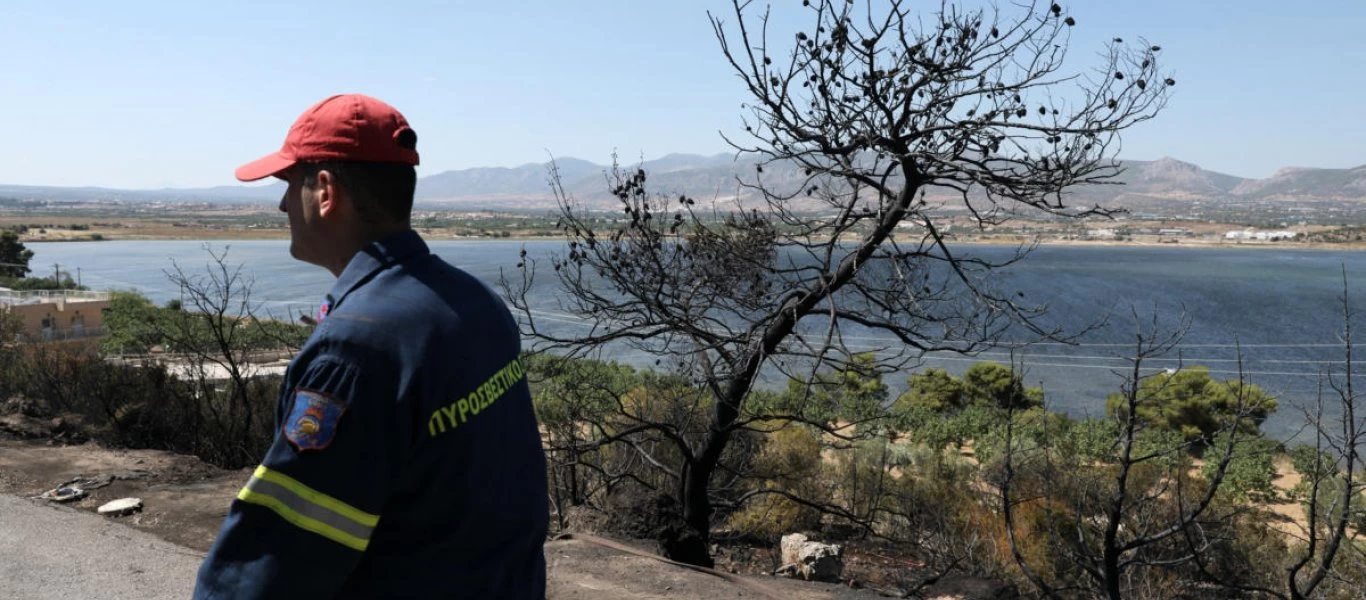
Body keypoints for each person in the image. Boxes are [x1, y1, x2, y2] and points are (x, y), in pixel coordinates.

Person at [193, 94, 549, 599]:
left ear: (324, 191)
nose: (280, 204)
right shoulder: (475, 302)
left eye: (288, 184)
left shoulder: (358, 347)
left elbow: (279, 556)